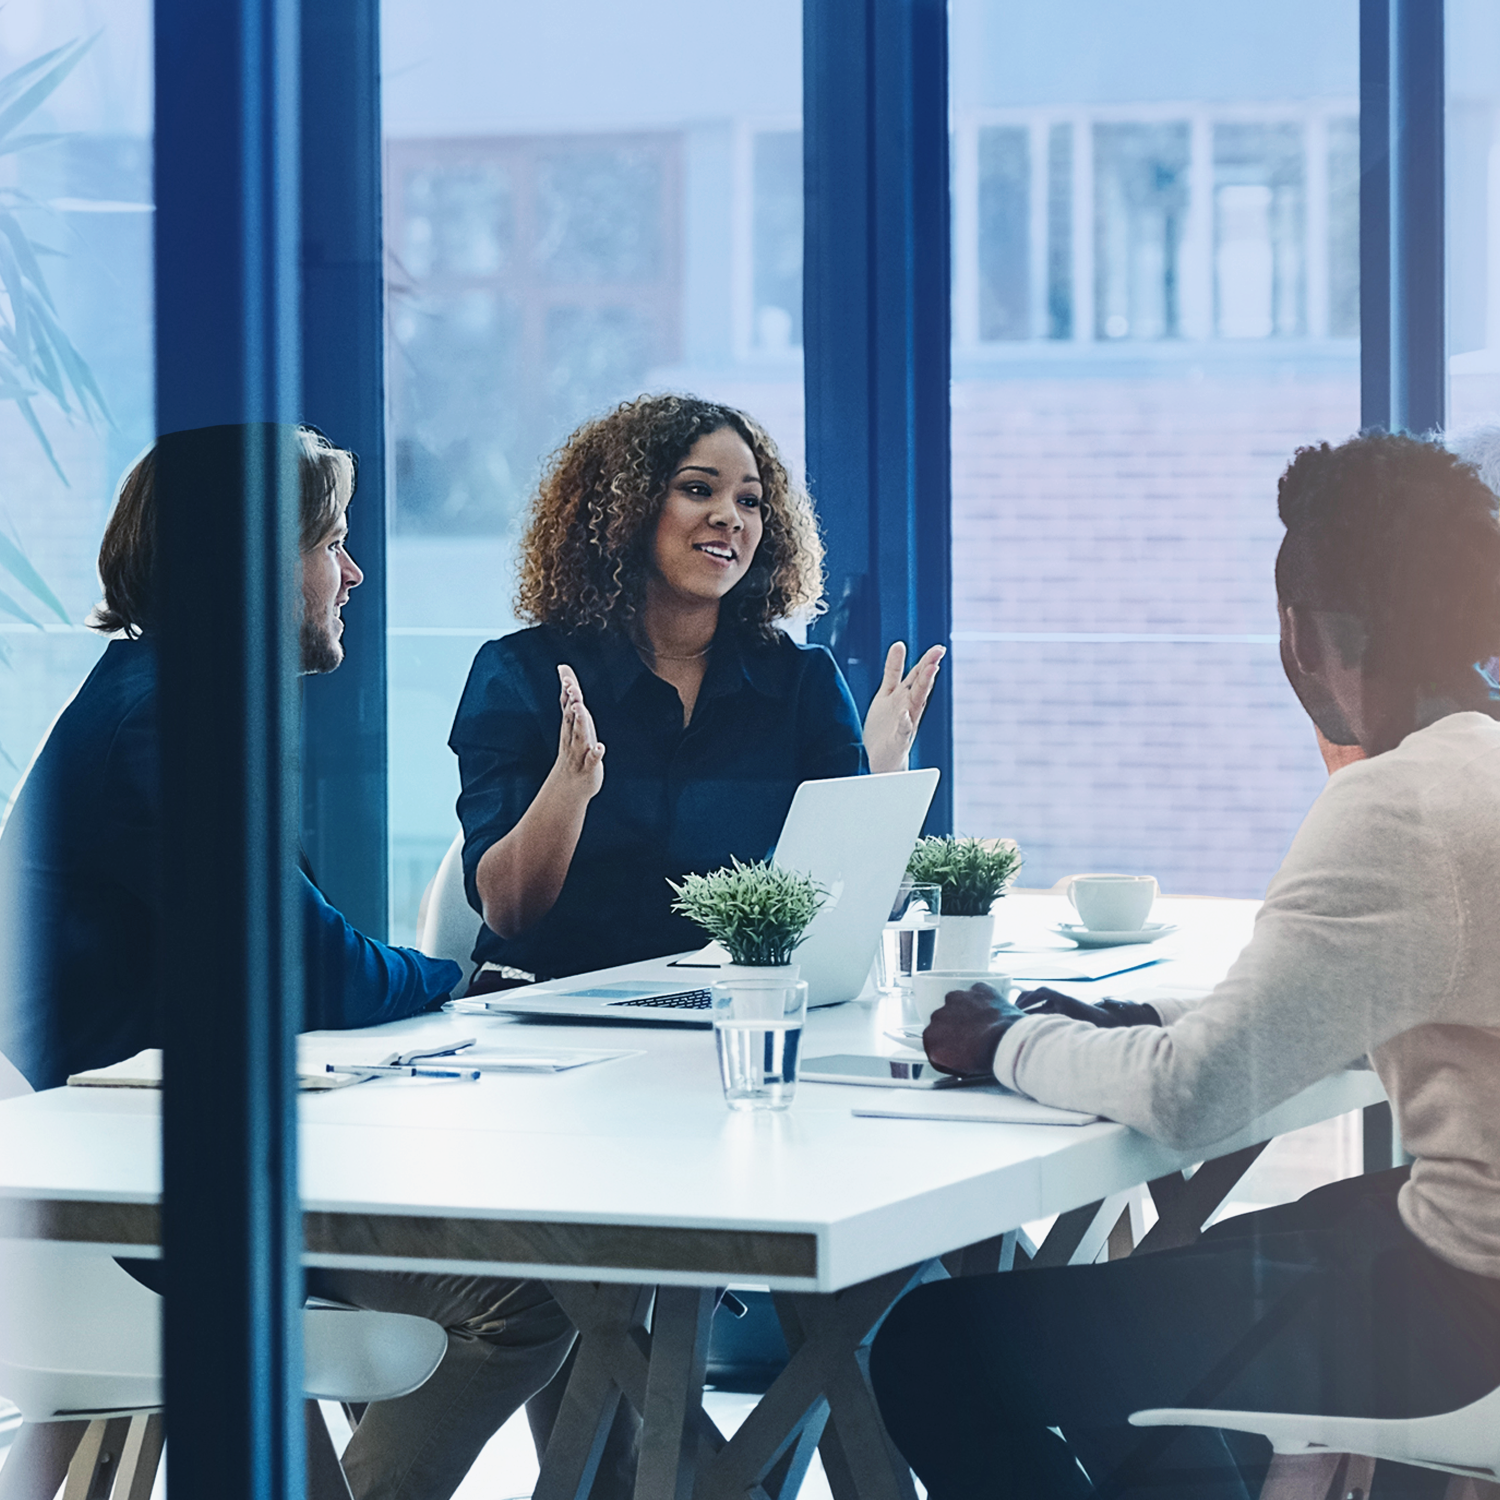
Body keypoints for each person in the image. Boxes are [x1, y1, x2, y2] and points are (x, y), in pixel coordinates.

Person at [871, 431, 1500, 1500]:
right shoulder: (1476, 771)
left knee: (940, 1348)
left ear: (1305, 634)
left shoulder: (1398, 808)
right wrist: (1138, 1015)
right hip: (1460, 1250)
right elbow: (1352, 985)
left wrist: (1006, 1038)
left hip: (1459, 1310)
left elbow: (1198, 1093)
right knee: (1153, 1296)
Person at [0, 427, 610, 1500]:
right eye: (333, 540)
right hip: (129, 1205)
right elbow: (303, 966)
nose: (354, 572)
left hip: (168, 1160)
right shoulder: (166, 724)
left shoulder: (160, 698)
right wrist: (460, 986)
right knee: (535, 1290)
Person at [449, 392, 943, 985]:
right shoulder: (522, 675)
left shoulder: (802, 684)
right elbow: (510, 912)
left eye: (750, 500)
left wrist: (881, 778)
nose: (730, 517)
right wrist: (570, 790)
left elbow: (849, 910)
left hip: (731, 1001)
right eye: (698, 489)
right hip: (548, 1006)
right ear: (625, 509)